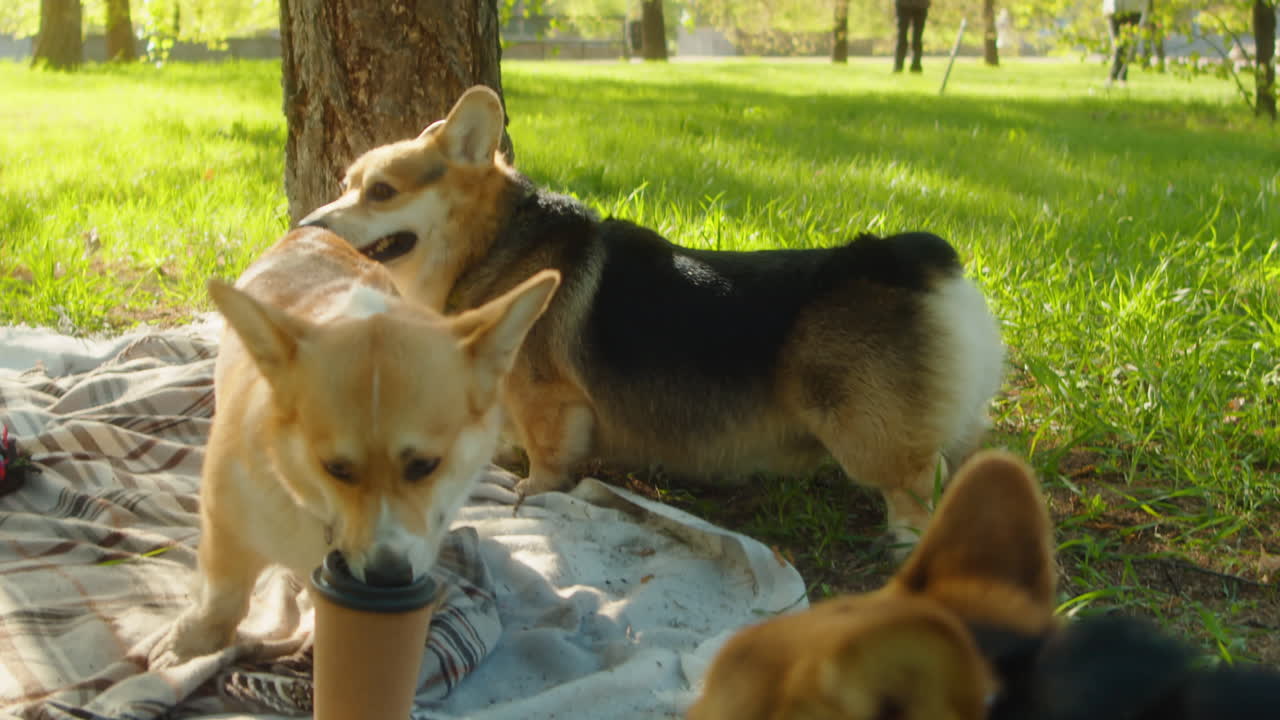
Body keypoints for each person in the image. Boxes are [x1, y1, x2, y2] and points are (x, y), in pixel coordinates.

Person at [1104, 0, 1151, 85]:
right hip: (1113, 11)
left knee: (1126, 46)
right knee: (1118, 45)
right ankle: (1116, 76)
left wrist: (1145, 9)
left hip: (1132, 11)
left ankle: (1118, 76)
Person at [894, 0, 930, 73]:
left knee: (916, 38)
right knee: (903, 37)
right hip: (905, 5)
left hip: (920, 5)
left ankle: (915, 66)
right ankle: (899, 66)